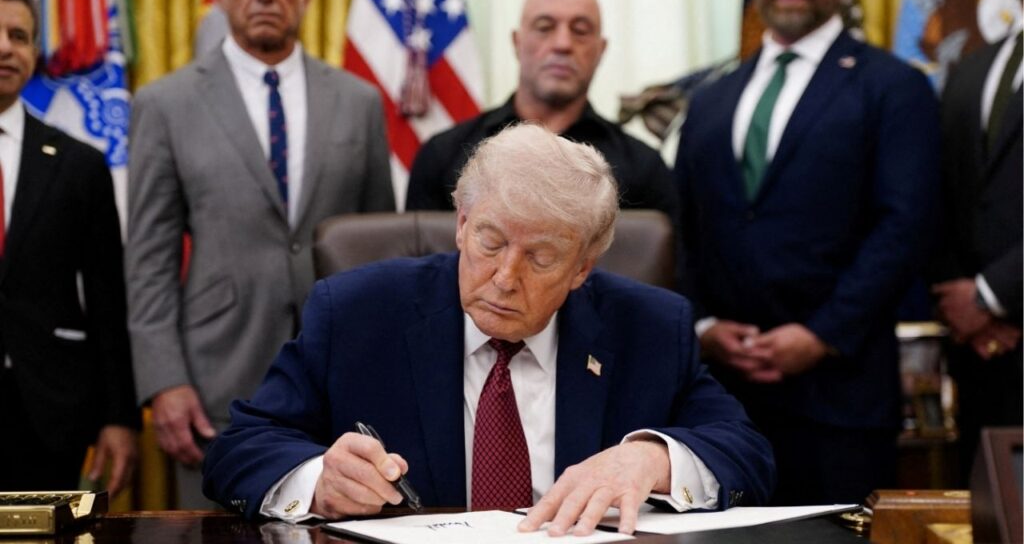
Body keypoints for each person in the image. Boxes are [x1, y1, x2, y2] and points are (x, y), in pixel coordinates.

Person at [203, 123, 775, 536]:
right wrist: (318, 480)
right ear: (461, 224)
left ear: (582, 269)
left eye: (541, 258)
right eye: (491, 242)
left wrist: (653, 460)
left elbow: (749, 454)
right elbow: (240, 450)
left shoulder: (649, 327)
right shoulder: (357, 313)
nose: (505, 278)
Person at [127, 0, 394, 508]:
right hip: (217, 383)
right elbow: (149, 260)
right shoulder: (166, 103)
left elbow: (379, 249)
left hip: (344, 379)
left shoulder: (359, 100)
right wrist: (165, 382)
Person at [674, 0, 940, 505]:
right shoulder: (710, 99)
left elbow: (905, 226)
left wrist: (822, 335)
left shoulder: (894, 86)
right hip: (722, 406)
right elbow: (684, 228)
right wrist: (702, 325)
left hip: (841, 401)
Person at [0, 0, 138, 494]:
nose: (5, 47)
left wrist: (119, 416)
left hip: (48, 412)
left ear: (34, 51)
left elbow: (107, 299)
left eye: (18, 36)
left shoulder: (79, 165)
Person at [405, 0, 679, 229]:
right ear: (517, 42)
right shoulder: (444, 156)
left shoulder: (645, 169)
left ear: (601, 50)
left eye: (580, 30)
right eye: (545, 27)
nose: (562, 44)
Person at [932, 0, 1022, 482]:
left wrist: (992, 295)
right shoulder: (973, 68)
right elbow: (942, 195)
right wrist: (961, 300)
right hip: (982, 360)